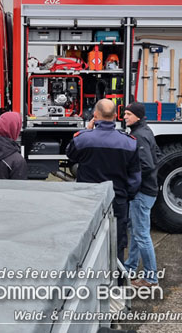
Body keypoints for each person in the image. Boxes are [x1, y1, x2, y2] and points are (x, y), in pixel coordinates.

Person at [66, 98, 141, 262]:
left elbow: (70, 155)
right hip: (117, 200)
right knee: (117, 245)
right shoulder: (129, 143)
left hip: (88, 200)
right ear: (115, 116)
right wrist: (125, 197)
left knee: (86, 243)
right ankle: (117, 285)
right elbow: (135, 178)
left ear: (95, 115)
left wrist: (87, 130)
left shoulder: (82, 139)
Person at [123, 102, 161, 287]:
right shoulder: (145, 131)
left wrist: (131, 182)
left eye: (128, 114)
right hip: (146, 190)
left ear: (137, 116)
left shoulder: (139, 136)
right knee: (136, 231)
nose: (125, 117)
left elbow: (147, 165)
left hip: (142, 192)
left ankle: (150, 277)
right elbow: (157, 155)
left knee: (141, 235)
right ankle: (130, 268)